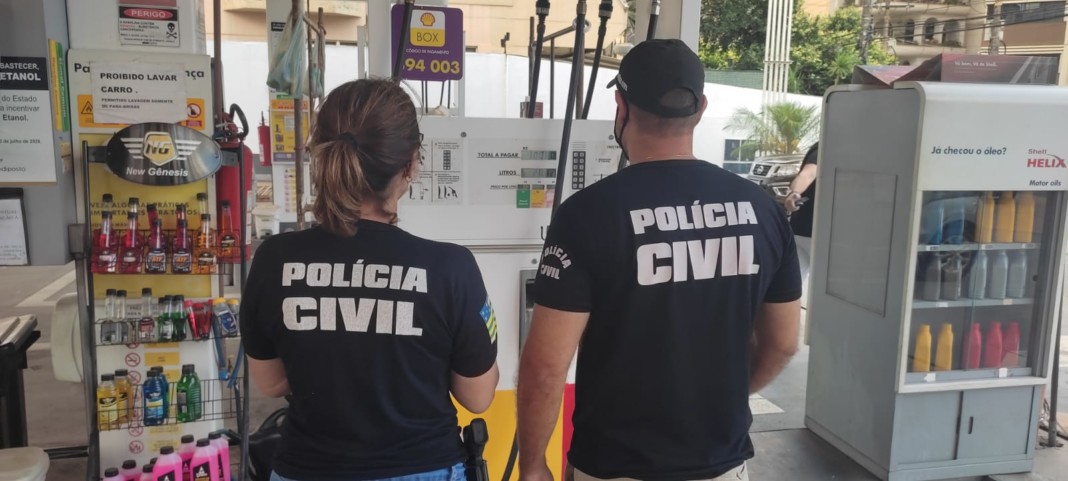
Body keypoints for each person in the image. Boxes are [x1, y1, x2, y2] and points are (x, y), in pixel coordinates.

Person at [516, 39, 802, 481]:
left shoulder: (587, 215)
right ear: (700, 108)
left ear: (621, 106)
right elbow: (782, 344)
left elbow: (545, 367)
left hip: (614, 466)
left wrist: (534, 466)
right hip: (722, 465)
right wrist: (718, 400)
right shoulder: (762, 209)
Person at [240, 79, 500, 481]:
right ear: (411, 164)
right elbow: (478, 396)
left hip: (307, 469)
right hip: (423, 468)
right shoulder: (450, 267)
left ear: (321, 154)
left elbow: (271, 383)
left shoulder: (274, 259)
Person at [784, 143, 819, 305]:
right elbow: (809, 173)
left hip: (800, 230)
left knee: (792, 283)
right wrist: (795, 193)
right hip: (816, 232)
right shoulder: (826, 147)